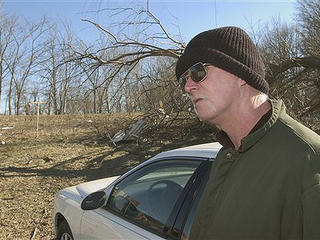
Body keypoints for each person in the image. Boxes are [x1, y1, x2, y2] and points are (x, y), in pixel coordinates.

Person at [175, 26, 320, 240]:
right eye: (184, 79)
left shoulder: (309, 161)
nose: (188, 87)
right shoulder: (227, 155)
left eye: (198, 72)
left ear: (240, 73)